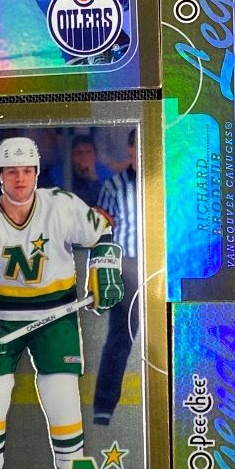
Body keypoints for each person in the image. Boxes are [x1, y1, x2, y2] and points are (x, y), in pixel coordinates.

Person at [0, 136, 123, 469]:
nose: (20, 179)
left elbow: (102, 231)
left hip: (56, 312)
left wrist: (103, 267)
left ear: (37, 173)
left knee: (61, 392)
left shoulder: (60, 205)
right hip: (3, 314)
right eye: (12, 171)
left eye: (27, 171)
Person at [91, 130, 139, 428]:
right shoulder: (113, 186)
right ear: (130, 149)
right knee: (119, 339)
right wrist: (101, 274)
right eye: (137, 147)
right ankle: (103, 407)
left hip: (163, 270)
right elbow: (101, 234)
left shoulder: (168, 185)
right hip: (127, 267)